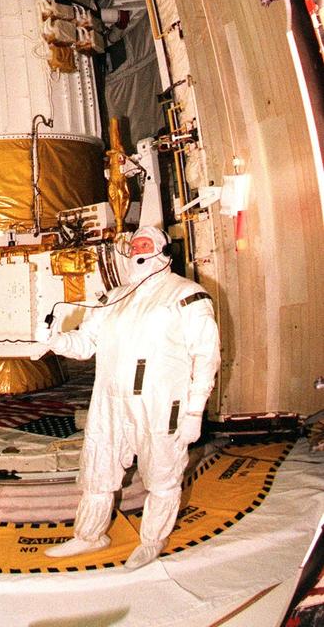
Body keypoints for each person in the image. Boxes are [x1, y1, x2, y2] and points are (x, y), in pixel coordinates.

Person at [41, 225, 220, 570]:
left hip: (160, 403)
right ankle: (90, 535)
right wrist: (54, 340)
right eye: (135, 244)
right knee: (98, 470)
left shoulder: (186, 294)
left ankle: (151, 540)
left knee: (162, 475)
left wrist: (195, 410)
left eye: (147, 244)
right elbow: (85, 345)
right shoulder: (114, 298)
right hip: (110, 401)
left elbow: (206, 355)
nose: (139, 249)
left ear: (164, 253)